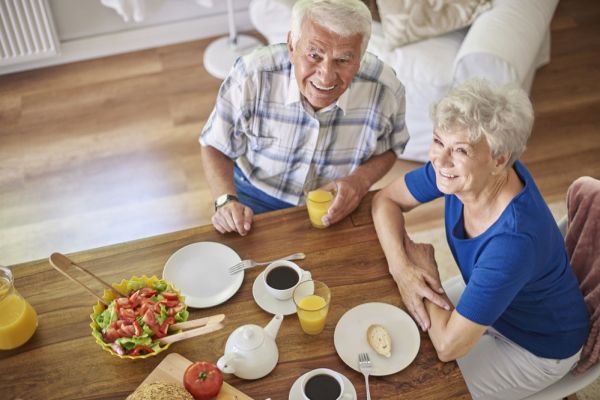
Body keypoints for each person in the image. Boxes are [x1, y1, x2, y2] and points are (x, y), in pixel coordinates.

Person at [372, 78, 589, 399]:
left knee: (421, 388)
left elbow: (447, 347)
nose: (440, 160)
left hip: (538, 345)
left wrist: (428, 275)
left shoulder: (513, 244)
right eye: (437, 141)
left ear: (500, 159)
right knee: (398, 330)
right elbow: (385, 201)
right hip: (498, 306)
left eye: (460, 150)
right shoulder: (463, 172)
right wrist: (402, 269)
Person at [200, 0, 409, 236]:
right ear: (292, 45)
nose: (326, 76)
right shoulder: (252, 75)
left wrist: (359, 182)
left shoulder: (386, 89)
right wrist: (226, 201)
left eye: (343, 60)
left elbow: (392, 147)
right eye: (314, 55)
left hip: (336, 203)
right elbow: (215, 145)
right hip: (252, 196)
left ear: (360, 57)